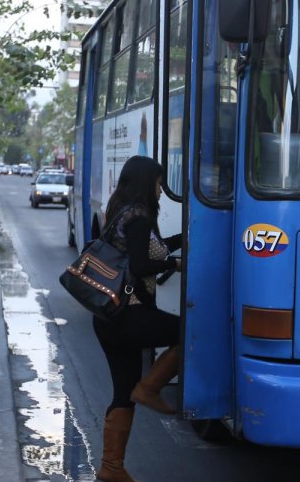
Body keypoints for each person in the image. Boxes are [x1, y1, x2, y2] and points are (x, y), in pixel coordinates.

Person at [92, 155, 182, 482]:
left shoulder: (120, 212)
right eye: (159, 184)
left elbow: (150, 249)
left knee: (122, 392)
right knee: (191, 333)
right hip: (128, 316)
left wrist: (184, 240)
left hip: (109, 317)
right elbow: (143, 265)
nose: (161, 191)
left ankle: (111, 468)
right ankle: (151, 387)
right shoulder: (140, 218)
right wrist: (175, 266)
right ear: (147, 183)